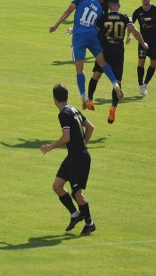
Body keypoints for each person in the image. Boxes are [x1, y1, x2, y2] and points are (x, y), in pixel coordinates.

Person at [49, 0, 123, 111]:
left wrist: (56, 25)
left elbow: (68, 11)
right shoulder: (100, 10)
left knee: (79, 69)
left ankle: (84, 96)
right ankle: (115, 83)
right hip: (91, 36)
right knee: (102, 62)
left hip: (79, 37)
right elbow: (96, 25)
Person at [40, 83, 96, 237]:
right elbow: (90, 127)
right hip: (74, 156)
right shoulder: (73, 109)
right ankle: (74, 214)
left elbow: (66, 138)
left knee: (76, 193)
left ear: (54, 99)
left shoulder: (64, 114)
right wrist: (83, 144)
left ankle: (90, 223)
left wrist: (50, 147)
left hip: (79, 158)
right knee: (57, 186)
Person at [88, 0, 148, 124]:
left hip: (104, 52)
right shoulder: (125, 17)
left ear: (109, 6)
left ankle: (90, 99)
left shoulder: (103, 18)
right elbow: (134, 31)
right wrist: (143, 44)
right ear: (119, 5)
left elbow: (93, 32)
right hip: (118, 52)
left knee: (96, 76)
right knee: (117, 81)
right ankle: (113, 107)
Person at [127, 0, 156, 96]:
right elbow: (130, 24)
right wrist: (128, 35)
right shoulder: (137, 11)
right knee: (141, 62)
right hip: (142, 41)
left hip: (155, 41)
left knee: (153, 63)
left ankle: (146, 83)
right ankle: (140, 84)